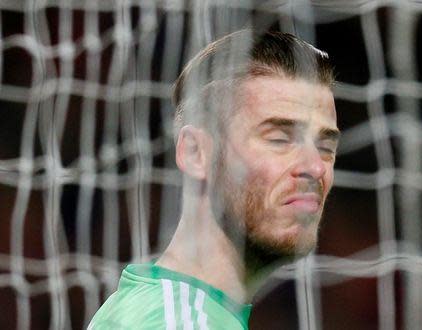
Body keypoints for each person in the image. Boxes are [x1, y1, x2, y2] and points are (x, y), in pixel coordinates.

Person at [89, 29, 339, 329]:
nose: (315, 167)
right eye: (279, 138)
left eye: (325, 147)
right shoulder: (176, 322)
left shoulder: (173, 311)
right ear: (195, 153)